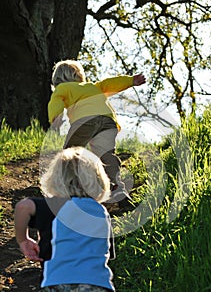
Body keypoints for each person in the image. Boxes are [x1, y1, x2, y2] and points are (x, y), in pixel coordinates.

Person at [15, 147, 115, 292]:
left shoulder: (54, 206)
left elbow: (23, 207)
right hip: (94, 288)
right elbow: (107, 254)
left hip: (57, 286)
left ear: (55, 178)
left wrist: (22, 240)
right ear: (97, 179)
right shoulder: (101, 212)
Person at [47, 59, 146, 205]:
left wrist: (55, 118)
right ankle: (118, 187)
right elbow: (110, 83)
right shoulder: (93, 86)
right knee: (106, 154)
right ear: (78, 74)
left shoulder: (63, 88)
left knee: (70, 153)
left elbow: (56, 101)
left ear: (57, 79)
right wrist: (130, 81)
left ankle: (65, 186)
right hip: (107, 122)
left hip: (84, 121)